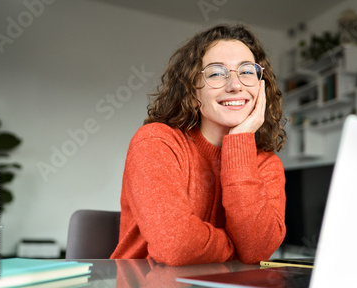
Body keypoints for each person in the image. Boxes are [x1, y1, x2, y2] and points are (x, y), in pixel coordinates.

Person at [110, 24, 287, 266]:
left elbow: (256, 250)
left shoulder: (267, 164)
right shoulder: (156, 142)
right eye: (216, 73)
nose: (235, 85)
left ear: (261, 87)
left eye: (247, 72)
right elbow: (177, 245)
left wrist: (239, 142)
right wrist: (235, 247)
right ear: (193, 94)